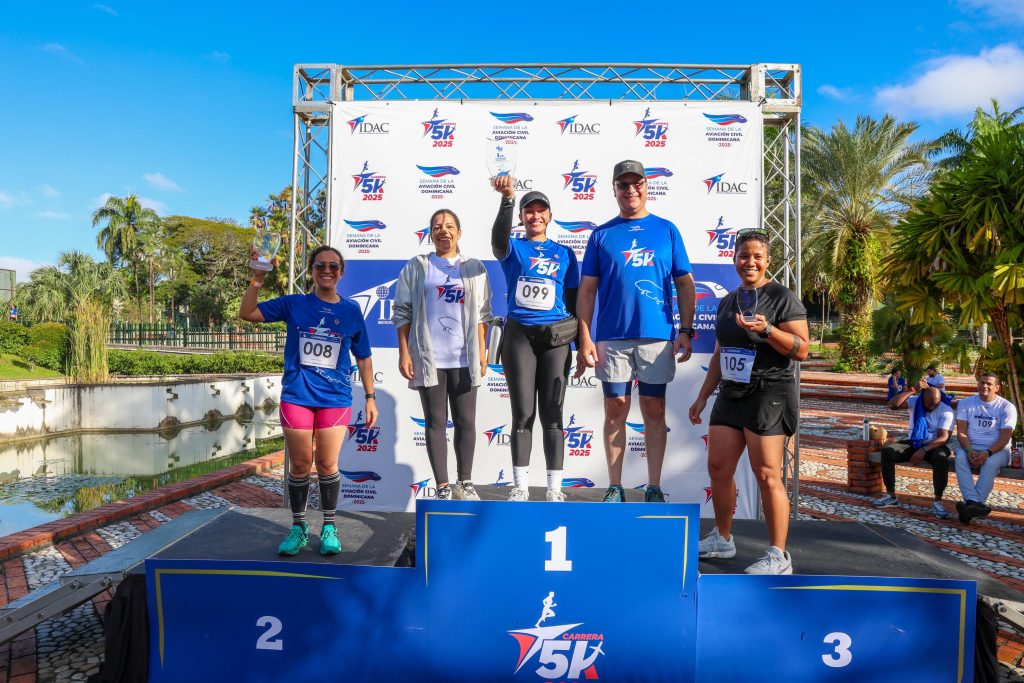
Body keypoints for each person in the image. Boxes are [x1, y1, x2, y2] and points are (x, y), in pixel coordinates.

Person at [240, 245, 376, 556]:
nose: (327, 271)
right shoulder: (295, 304)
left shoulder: (351, 311)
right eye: (320, 266)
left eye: (333, 266)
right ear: (312, 270)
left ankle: (329, 526)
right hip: (298, 397)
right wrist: (257, 278)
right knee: (300, 465)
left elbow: (364, 357)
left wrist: (370, 397)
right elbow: (247, 313)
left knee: (327, 464)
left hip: (335, 398)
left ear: (341, 272)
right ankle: (299, 528)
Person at [688, 229, 809, 575]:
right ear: (735, 259)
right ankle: (723, 539)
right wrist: (701, 397)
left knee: (767, 473)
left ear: (768, 261)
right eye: (744, 255)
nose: (750, 262)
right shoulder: (728, 301)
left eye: (757, 256)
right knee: (719, 469)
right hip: (731, 394)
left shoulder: (782, 298)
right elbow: (719, 354)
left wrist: (769, 331)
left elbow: (802, 349)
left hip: (769, 393)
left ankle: (778, 556)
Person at [575, 159, 696, 503]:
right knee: (615, 408)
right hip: (611, 337)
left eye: (636, 183)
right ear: (614, 190)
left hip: (657, 337)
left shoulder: (667, 230)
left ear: (646, 186)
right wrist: (585, 336)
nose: (630, 190)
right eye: (623, 185)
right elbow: (586, 291)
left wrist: (686, 330)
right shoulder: (601, 235)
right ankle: (615, 486)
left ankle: (653, 486)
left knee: (654, 410)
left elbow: (685, 284)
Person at [394, 208, 493, 501]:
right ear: (430, 233)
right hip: (430, 360)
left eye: (449, 226)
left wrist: (483, 352)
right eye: (437, 227)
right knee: (436, 422)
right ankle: (443, 487)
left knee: (466, 422)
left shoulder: (474, 267)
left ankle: (465, 482)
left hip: (465, 359)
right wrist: (404, 353)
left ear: (459, 232)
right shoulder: (417, 267)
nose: (443, 231)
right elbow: (402, 312)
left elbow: (483, 314)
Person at [491, 178, 579, 502]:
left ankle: (555, 489)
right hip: (520, 337)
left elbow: (573, 303)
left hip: (556, 337)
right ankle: (521, 486)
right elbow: (497, 241)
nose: (535, 216)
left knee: (553, 414)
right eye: (529, 211)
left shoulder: (565, 253)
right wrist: (507, 200)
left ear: (550, 216)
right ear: (522, 217)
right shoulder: (515, 248)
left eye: (541, 211)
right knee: (523, 413)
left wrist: (582, 349)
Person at [871, 380, 955, 519]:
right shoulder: (915, 401)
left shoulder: (946, 410)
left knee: (940, 458)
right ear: (922, 398)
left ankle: (938, 501)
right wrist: (911, 390)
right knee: (888, 451)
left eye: (936, 404)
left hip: (935, 445)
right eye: (929, 405)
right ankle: (891, 496)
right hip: (915, 442)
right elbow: (892, 405)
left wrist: (924, 450)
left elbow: (944, 437)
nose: (933, 407)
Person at [953, 372, 1018, 524]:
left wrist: (987, 453)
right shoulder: (966, 403)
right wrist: (969, 450)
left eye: (989, 384)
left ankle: (971, 505)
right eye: (982, 382)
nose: (984, 386)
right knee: (960, 457)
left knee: (990, 463)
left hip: (998, 450)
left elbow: (1005, 436)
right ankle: (974, 504)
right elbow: (961, 431)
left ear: (997, 387)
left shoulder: (1007, 407)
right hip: (970, 446)